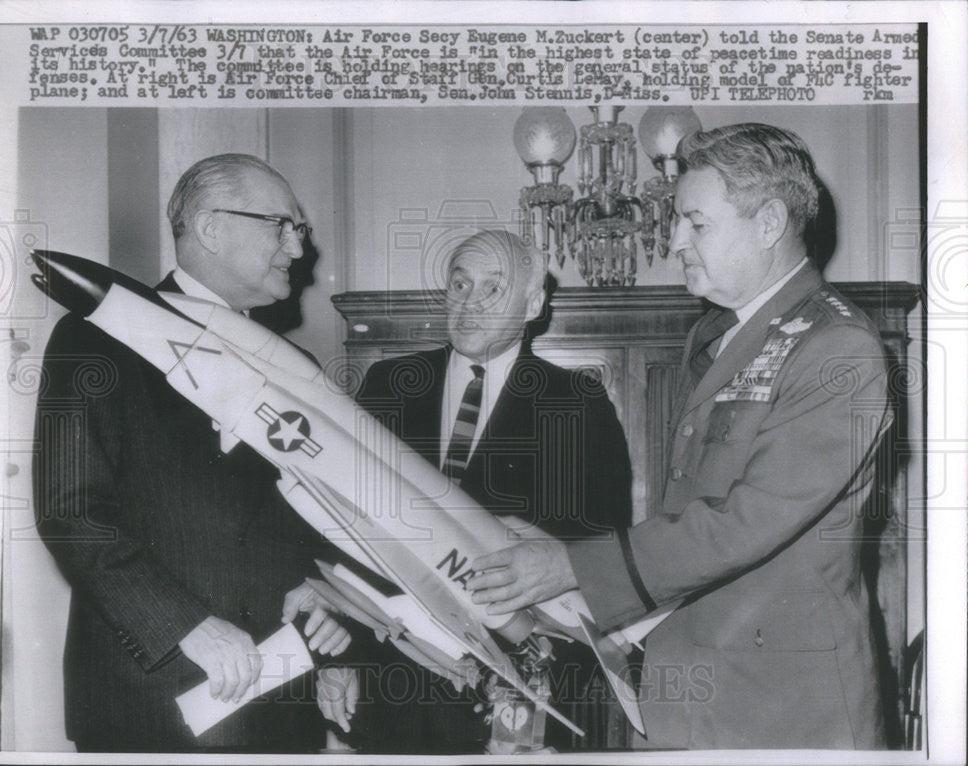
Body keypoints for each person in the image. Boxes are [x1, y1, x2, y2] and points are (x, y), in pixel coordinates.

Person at [468, 124, 892, 749]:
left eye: (696, 223)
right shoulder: (718, 335)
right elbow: (687, 510)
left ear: (769, 223)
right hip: (691, 683)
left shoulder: (838, 348)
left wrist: (572, 566)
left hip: (784, 705)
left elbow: (742, 521)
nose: (674, 242)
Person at [33, 154, 352, 752]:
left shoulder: (300, 372)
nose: (298, 248)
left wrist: (329, 605)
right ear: (210, 229)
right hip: (147, 709)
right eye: (280, 225)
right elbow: (72, 513)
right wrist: (188, 626)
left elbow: (314, 526)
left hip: (280, 709)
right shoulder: (97, 337)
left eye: (300, 229)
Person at [343, 229, 632, 752]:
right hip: (391, 684)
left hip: (511, 691)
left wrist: (536, 687)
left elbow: (599, 553)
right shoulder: (388, 384)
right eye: (459, 284)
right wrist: (341, 660)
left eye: (492, 289)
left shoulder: (577, 403)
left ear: (534, 302)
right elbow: (343, 525)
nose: (470, 303)